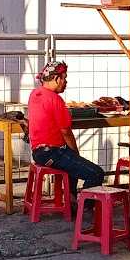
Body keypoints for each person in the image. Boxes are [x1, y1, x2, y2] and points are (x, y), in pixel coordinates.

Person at [28, 61, 104, 209]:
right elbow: (66, 132)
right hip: (53, 152)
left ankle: (71, 199)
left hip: (38, 152)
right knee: (96, 173)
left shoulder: (34, 94)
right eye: (64, 78)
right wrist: (76, 152)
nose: (66, 82)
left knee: (71, 161)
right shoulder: (55, 99)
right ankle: (84, 208)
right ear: (56, 79)